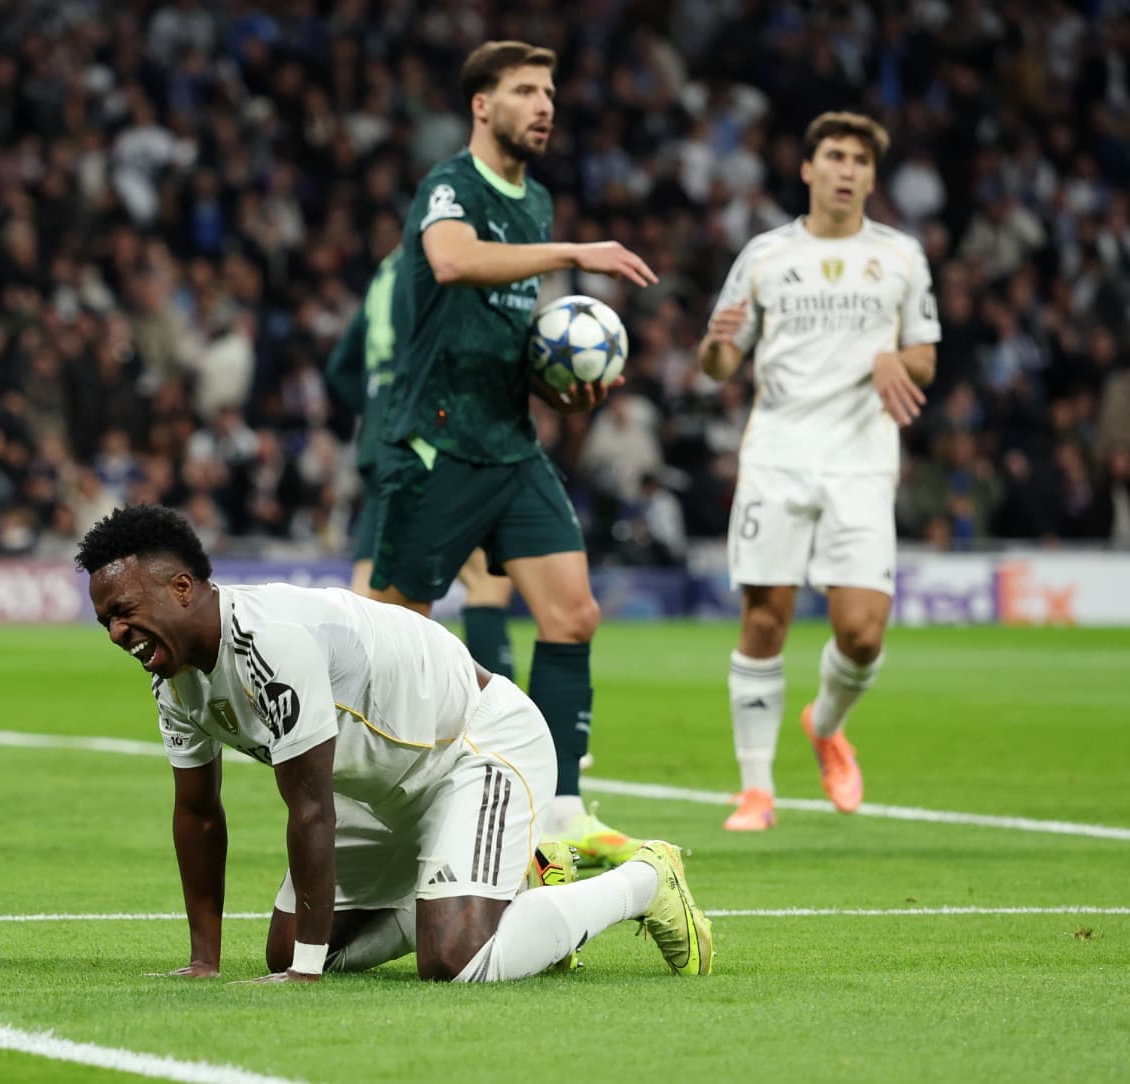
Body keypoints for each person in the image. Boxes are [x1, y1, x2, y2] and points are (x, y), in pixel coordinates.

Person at [77, 504, 713, 983]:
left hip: (475, 746)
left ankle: (643, 879)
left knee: (455, 960)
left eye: (125, 609)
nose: (115, 632)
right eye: (106, 618)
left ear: (182, 587)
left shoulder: (268, 640)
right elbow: (197, 814)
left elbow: (310, 809)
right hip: (381, 789)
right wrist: (204, 962)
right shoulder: (173, 682)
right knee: (294, 942)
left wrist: (304, 975)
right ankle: (504, 889)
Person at [362, 40, 656, 863]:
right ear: (481, 105)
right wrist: (574, 255)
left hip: (509, 441)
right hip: (438, 440)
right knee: (393, 637)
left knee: (572, 613)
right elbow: (452, 260)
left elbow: (508, 325)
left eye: (550, 90)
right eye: (525, 89)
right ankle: (378, 813)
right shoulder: (451, 184)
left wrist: (559, 380)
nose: (544, 104)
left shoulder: (536, 199)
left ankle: (558, 813)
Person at [699, 112, 940, 831]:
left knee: (863, 633)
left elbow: (924, 353)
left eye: (860, 160)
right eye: (833, 155)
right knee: (765, 620)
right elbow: (719, 364)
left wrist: (900, 357)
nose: (846, 170)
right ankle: (756, 791)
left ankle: (826, 723)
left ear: (871, 175)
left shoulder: (899, 256)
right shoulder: (767, 255)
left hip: (862, 459)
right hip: (777, 452)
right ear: (807, 168)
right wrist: (714, 349)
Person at [323, 246, 518, 681]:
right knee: (487, 581)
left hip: (380, 441)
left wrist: (378, 410)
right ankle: (503, 721)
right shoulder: (445, 261)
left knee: (373, 590)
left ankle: (343, 710)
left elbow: (339, 368)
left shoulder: (386, 269)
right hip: (427, 436)